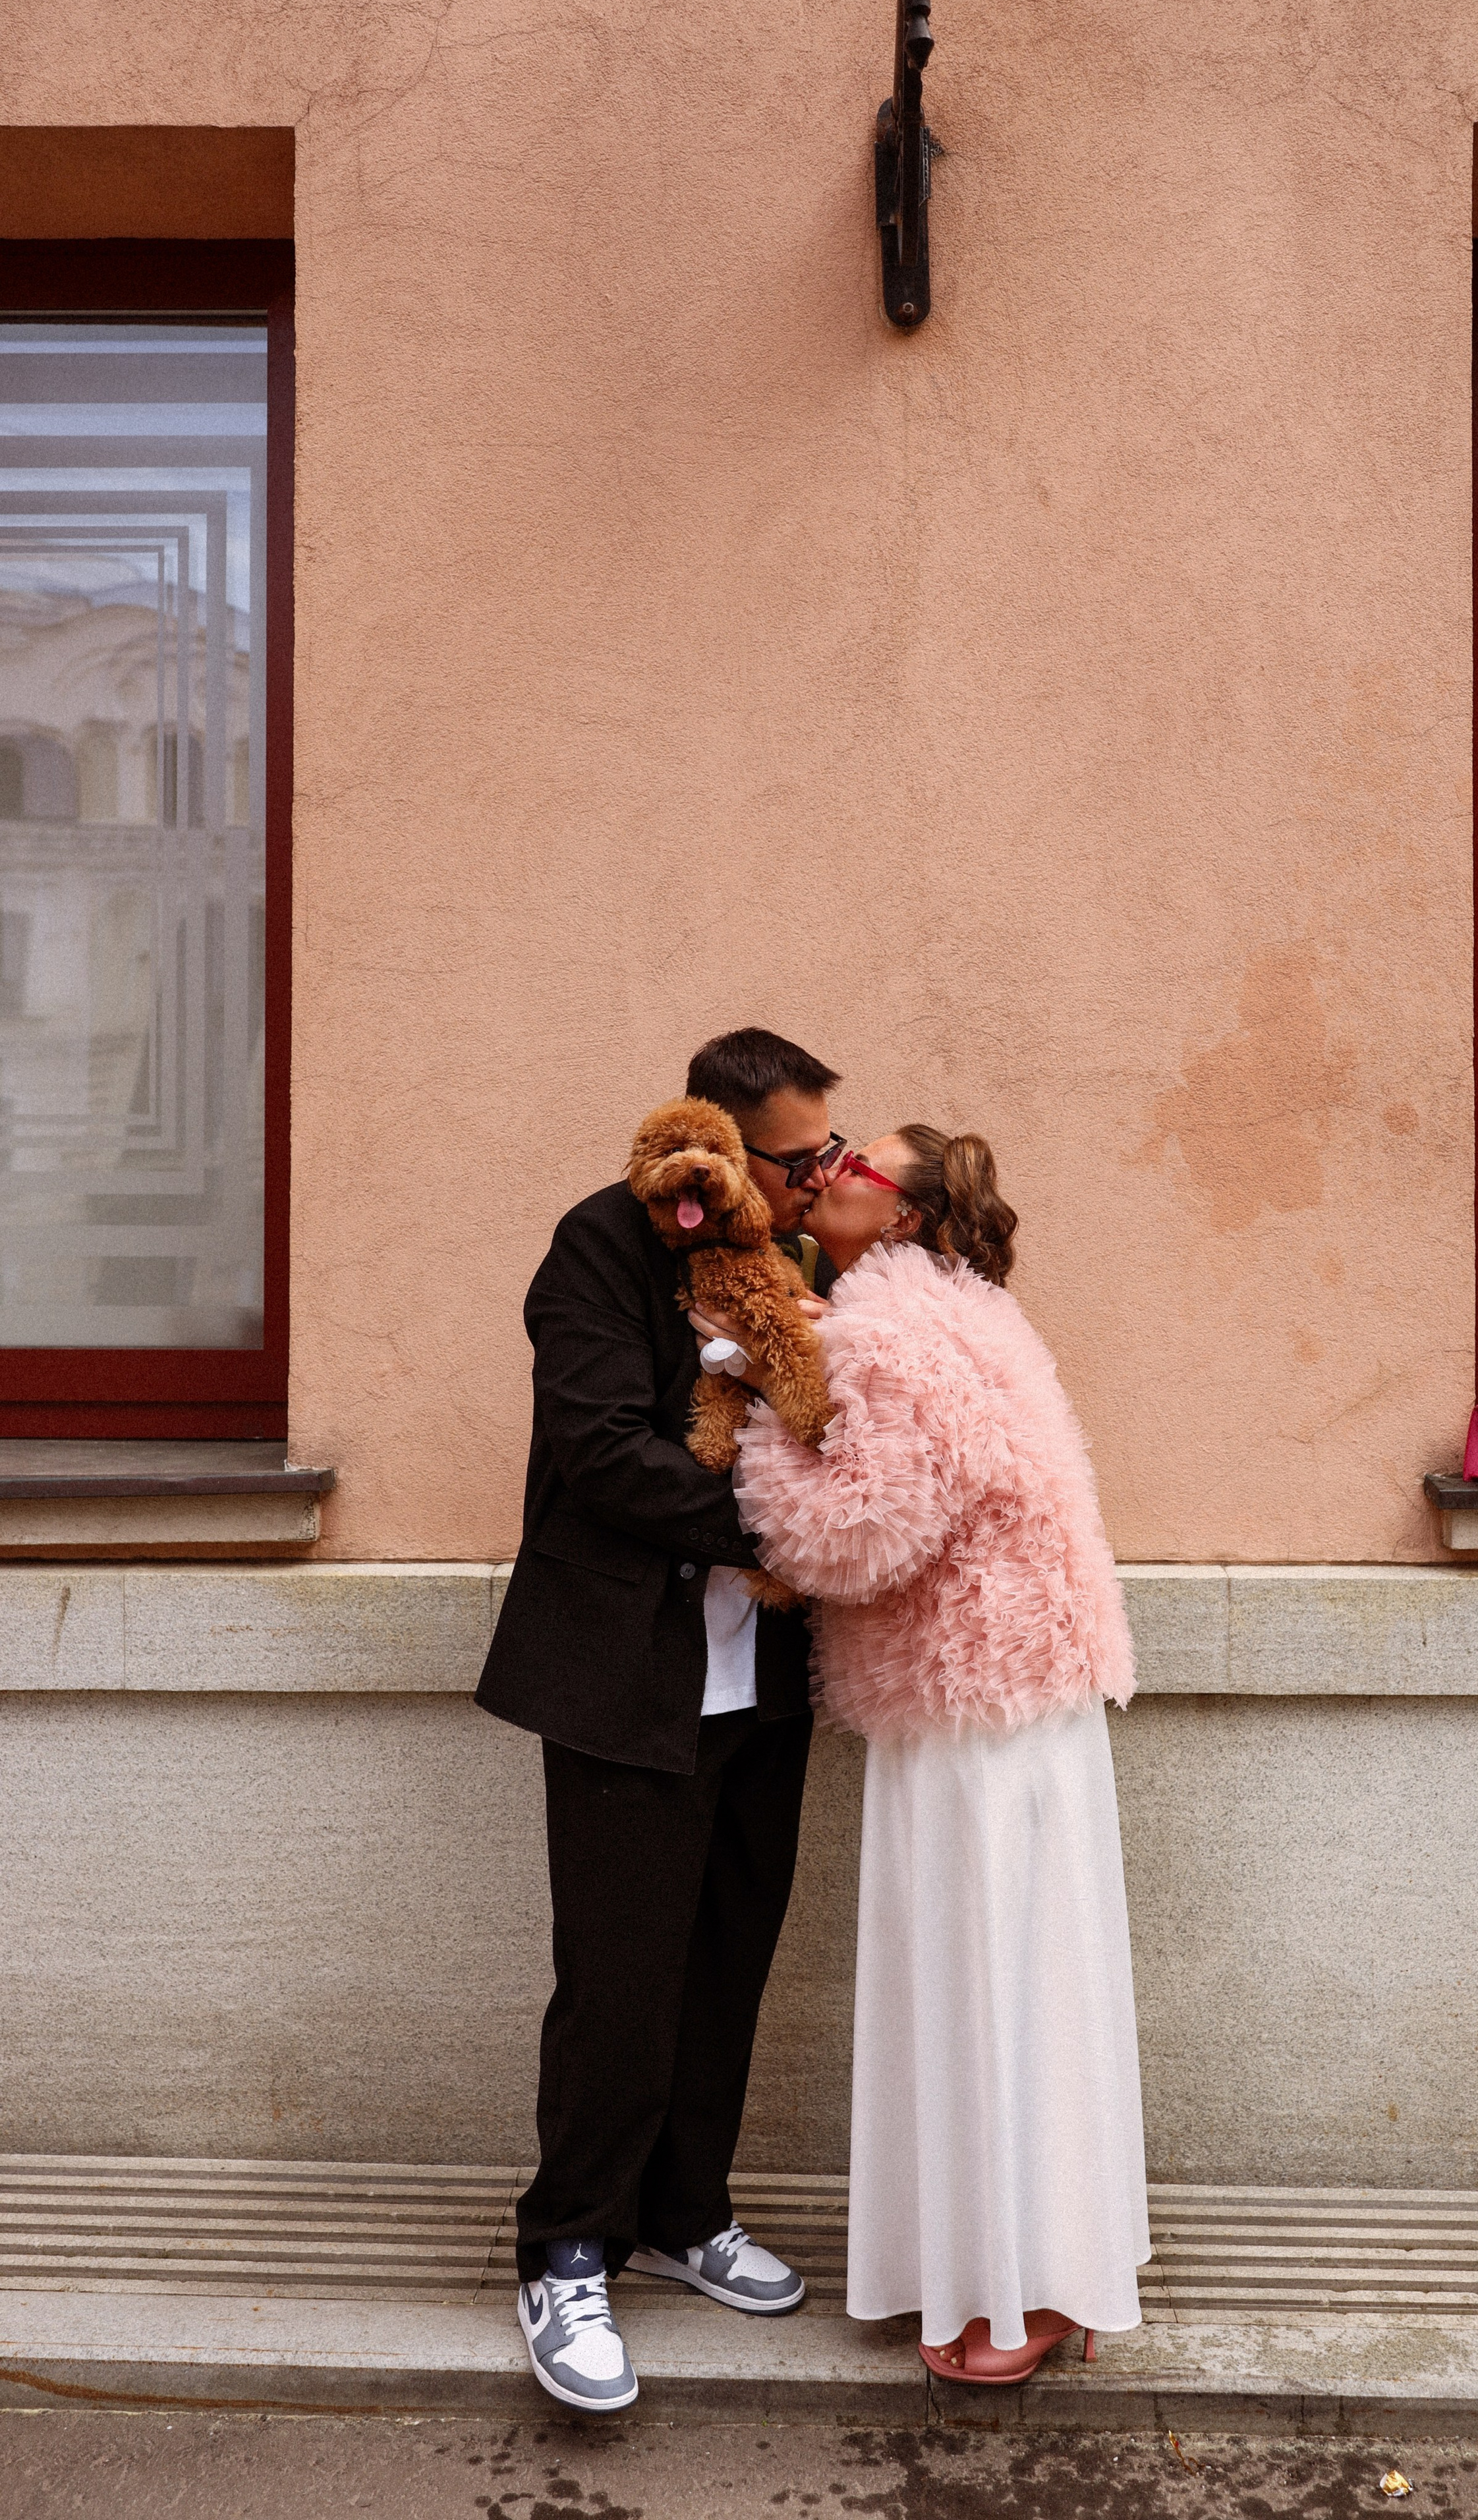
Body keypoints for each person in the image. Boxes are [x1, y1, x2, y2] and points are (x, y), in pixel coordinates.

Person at [690, 1125, 1150, 2383]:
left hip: (972, 1706)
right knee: (1033, 1988)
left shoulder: (888, 1325)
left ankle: (1016, 2290)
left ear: (903, 1217)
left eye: (855, 1166)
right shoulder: (962, 1310)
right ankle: (1042, 2267)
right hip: (1017, 1691)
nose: (824, 1171)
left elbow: (857, 1533)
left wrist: (760, 1416)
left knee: (982, 1989)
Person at [475, 1027, 846, 2413]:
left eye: (827, 1154)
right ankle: (568, 2246)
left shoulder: (800, 1259)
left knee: (727, 1959)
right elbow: (598, 1449)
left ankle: (687, 2214)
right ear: (718, 1139)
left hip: (765, 1680)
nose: (817, 1180)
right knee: (620, 1978)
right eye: (798, 1158)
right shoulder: (598, 1245)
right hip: (626, 1676)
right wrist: (788, 1519)